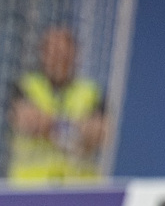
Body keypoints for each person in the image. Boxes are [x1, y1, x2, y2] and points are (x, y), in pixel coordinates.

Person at [8, 25, 106, 183]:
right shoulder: (27, 86)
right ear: (43, 55)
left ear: (74, 56)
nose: (59, 60)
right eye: (54, 53)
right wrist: (74, 130)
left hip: (79, 189)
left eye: (64, 54)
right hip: (32, 188)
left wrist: (51, 126)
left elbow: (97, 132)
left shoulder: (91, 92)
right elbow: (30, 122)